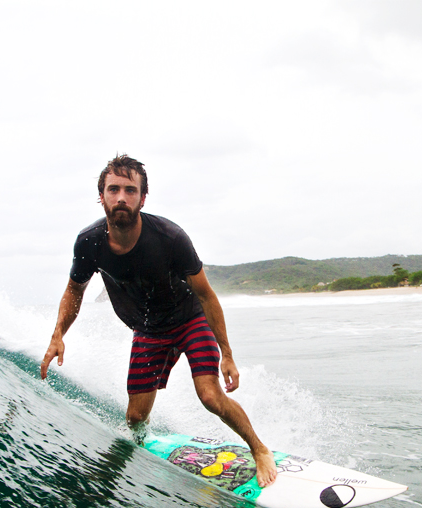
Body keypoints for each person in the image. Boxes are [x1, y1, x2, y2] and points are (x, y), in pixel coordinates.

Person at [40, 154, 277, 487]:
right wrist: (58, 335)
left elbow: (207, 295)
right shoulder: (90, 242)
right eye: (113, 189)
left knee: (209, 395)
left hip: (189, 319)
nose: (121, 197)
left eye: (129, 190)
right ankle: (142, 449)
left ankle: (259, 449)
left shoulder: (170, 238)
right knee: (135, 417)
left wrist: (227, 353)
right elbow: (74, 290)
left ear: (142, 198)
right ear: (101, 195)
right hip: (149, 330)